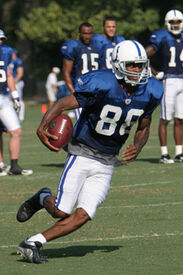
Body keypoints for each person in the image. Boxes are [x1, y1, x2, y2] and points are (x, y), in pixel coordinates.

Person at [16, 40, 163, 264]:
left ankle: (33, 243)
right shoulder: (102, 82)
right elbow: (64, 103)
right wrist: (43, 124)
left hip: (107, 161)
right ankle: (42, 197)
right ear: (119, 64)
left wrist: (138, 146)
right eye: (132, 65)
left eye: (140, 65)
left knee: (83, 215)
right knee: (60, 211)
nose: (137, 70)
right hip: (82, 151)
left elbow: (144, 125)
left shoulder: (151, 90)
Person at [146, 9, 183, 163]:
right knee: (165, 118)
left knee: (180, 118)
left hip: (182, 80)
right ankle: (164, 154)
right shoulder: (162, 36)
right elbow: (143, 55)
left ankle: (179, 152)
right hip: (168, 80)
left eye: (178, 22)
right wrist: (154, 72)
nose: (175, 25)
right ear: (167, 23)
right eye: (172, 22)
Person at [0, 33, 33, 176]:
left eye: (1, 39)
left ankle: (14, 166)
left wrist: (15, 96)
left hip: (2, 98)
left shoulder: (5, 52)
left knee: (16, 131)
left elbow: (8, 75)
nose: (0, 42)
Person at [60, 22, 100, 120]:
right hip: (81, 91)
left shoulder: (98, 46)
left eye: (90, 33)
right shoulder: (73, 47)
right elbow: (66, 72)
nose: (87, 36)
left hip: (96, 91)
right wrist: (74, 93)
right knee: (82, 125)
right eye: (85, 33)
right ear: (79, 33)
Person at [9, 48, 25, 122]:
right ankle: (12, 116)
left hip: (17, 82)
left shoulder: (18, 61)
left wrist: (14, 82)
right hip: (10, 82)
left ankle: (21, 117)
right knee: (9, 99)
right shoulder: (9, 60)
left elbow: (20, 73)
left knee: (18, 99)